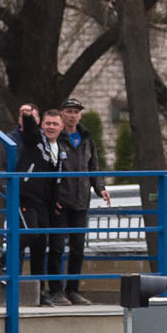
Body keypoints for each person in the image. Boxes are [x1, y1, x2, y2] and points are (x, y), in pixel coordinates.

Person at [17, 104, 67, 304]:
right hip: (27, 197)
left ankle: (40, 291)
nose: (51, 127)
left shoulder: (60, 149)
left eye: (55, 124)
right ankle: (2, 263)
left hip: (45, 203)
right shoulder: (37, 141)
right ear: (42, 125)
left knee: (41, 246)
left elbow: (56, 179)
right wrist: (28, 116)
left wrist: (56, 201)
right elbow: (29, 132)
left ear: (61, 127)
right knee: (31, 233)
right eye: (47, 123)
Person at [52, 97, 93, 303]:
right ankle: (55, 290)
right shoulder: (56, 138)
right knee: (57, 247)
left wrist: (100, 188)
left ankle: (73, 289)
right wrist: (53, 196)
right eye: (69, 111)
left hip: (81, 199)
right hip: (61, 201)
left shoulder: (86, 137)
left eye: (76, 112)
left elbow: (94, 166)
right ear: (62, 113)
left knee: (78, 248)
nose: (72, 115)